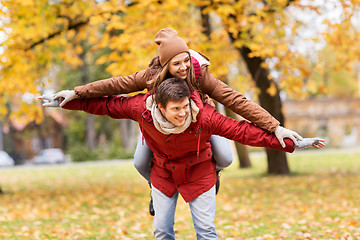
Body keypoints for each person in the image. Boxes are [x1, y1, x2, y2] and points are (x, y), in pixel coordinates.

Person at [50, 28, 303, 214]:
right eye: (177, 63)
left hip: (201, 123)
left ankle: (211, 176)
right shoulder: (150, 77)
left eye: (185, 60)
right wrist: (77, 92)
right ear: (165, 64)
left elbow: (235, 99)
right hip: (160, 125)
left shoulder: (199, 73)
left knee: (226, 158)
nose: (183, 67)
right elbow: (115, 85)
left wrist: (275, 127)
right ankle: (156, 189)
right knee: (140, 162)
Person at [40, 77, 325, 240]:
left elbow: (244, 131)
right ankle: (153, 193)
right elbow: (106, 104)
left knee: (206, 230)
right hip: (162, 174)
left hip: (200, 172)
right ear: (159, 107)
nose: (182, 113)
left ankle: (216, 178)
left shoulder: (205, 116)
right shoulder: (141, 107)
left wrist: (290, 142)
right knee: (162, 231)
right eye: (175, 109)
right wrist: (71, 99)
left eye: (185, 106)